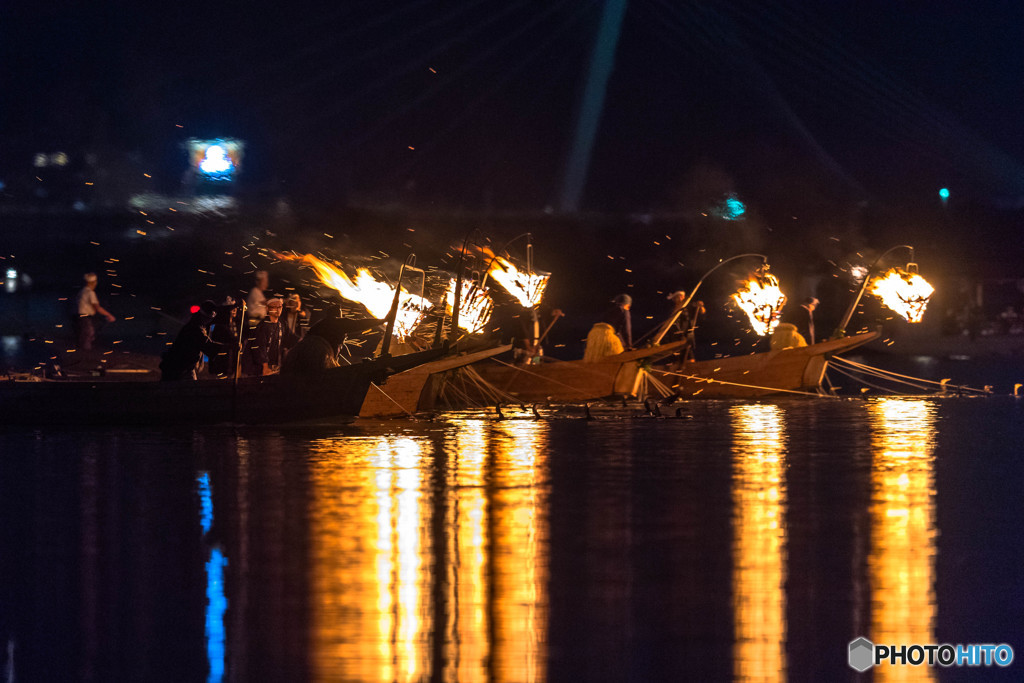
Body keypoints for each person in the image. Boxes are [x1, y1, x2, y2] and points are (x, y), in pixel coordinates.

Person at [281, 317, 383, 374]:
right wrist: (381, 320)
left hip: (296, 352)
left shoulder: (318, 326)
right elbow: (357, 324)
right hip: (317, 355)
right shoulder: (336, 322)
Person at [160, 301, 225, 380]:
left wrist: (234, 306)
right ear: (204, 316)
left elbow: (220, 315)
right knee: (187, 390)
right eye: (209, 319)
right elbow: (208, 345)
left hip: (183, 367)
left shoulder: (201, 320)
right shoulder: (195, 329)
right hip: (178, 368)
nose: (210, 321)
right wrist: (230, 347)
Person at [242, 297, 297, 376]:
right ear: (267, 308)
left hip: (272, 365)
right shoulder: (263, 326)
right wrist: (265, 367)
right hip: (257, 367)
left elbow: (290, 337)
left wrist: (302, 340)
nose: (277, 310)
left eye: (279, 307)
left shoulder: (282, 323)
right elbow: (260, 347)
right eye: (274, 307)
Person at [76, 272, 116, 351]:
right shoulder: (90, 293)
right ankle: (86, 353)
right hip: (85, 316)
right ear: (94, 282)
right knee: (88, 333)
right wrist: (109, 315)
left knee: (87, 333)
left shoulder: (82, 291)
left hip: (80, 316)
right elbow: (97, 307)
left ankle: (84, 350)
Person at [665, 291, 705, 362]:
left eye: (681, 296)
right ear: (674, 299)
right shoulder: (672, 311)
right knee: (676, 355)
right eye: (678, 296)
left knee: (688, 353)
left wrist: (700, 306)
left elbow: (701, 311)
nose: (680, 298)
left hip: (686, 334)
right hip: (675, 337)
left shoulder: (688, 307)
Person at [207, 296, 241, 377]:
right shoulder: (220, 325)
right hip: (221, 363)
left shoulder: (236, 322)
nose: (234, 310)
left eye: (235, 308)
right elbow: (227, 340)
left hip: (231, 362)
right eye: (231, 309)